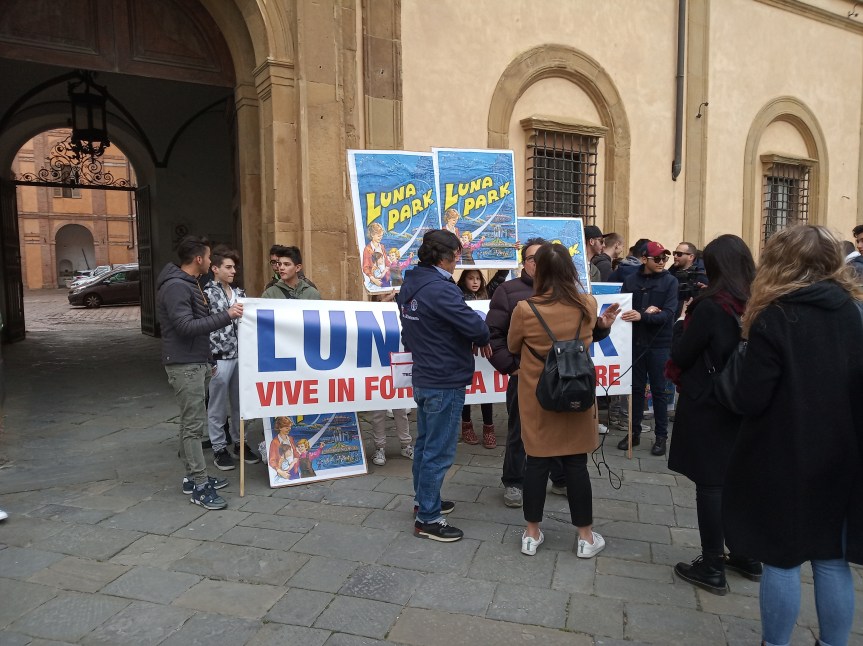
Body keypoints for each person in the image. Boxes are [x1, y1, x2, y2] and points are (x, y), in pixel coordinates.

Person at [723, 225, 863, 646]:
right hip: (844, 451)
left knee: (781, 559)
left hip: (784, 452)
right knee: (831, 560)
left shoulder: (775, 315)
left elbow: (750, 397)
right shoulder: (854, 311)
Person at [508, 242, 618, 558]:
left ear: (538, 271)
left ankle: (532, 534)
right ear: (571, 270)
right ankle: (585, 536)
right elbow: (588, 336)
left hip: (537, 396)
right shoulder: (587, 304)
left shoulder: (525, 309)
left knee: (536, 463)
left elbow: (513, 344)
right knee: (576, 465)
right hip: (576, 394)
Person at [666, 234, 760, 595]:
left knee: (711, 483)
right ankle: (747, 553)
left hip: (709, 401)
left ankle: (711, 564)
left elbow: (685, 352)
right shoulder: (756, 302)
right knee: (740, 480)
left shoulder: (711, 305)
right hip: (745, 400)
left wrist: (681, 322)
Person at [397, 229, 491, 542]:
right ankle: (428, 519)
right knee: (438, 450)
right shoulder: (440, 289)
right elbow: (474, 324)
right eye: (457, 256)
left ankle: (423, 500)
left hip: (426, 374)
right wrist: (480, 335)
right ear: (446, 257)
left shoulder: (413, 282)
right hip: (444, 377)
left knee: (426, 444)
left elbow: (411, 331)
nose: (458, 263)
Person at [157, 236, 242, 510]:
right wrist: (226, 315)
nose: (210, 260)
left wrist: (208, 359)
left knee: (190, 423)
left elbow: (195, 328)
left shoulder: (189, 284)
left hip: (195, 362)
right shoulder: (176, 287)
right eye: (207, 257)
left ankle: (192, 477)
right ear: (198, 260)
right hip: (184, 365)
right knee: (193, 427)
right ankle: (200, 485)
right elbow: (185, 326)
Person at [617, 241, 678, 456]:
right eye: (657, 258)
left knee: (659, 391)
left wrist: (643, 315)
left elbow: (668, 314)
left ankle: (661, 437)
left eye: (664, 258)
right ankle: (633, 433)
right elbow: (623, 309)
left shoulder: (670, 281)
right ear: (644, 259)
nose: (662, 262)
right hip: (635, 342)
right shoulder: (631, 280)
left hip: (660, 344)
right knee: (635, 389)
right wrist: (645, 313)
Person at [203, 246, 259, 471]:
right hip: (219, 356)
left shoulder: (241, 293)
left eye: (234, 267)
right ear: (215, 268)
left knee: (240, 402)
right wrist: (209, 358)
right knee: (216, 405)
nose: (233, 270)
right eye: (228, 267)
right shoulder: (205, 294)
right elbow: (202, 327)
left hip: (242, 355)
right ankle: (218, 447)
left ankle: (240, 443)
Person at [457, 269, 496, 448]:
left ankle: (489, 427)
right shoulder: (457, 296)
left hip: (484, 349)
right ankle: (466, 425)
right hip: (465, 349)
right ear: (463, 280)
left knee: (486, 389)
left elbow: (499, 278)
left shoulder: (487, 296)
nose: (475, 282)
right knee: (466, 388)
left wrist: (508, 257)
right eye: (471, 278)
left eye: (478, 278)